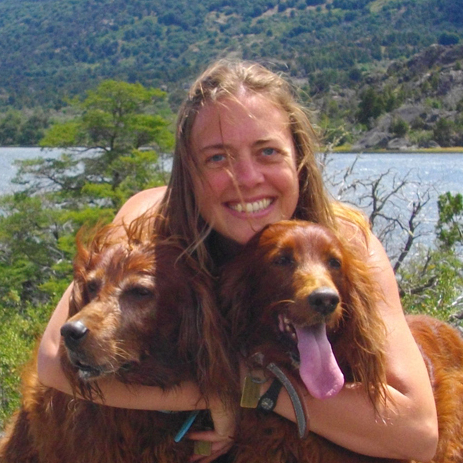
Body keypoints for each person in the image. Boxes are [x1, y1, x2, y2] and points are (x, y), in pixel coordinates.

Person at [37, 60, 438, 463]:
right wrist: (211, 394)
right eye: (217, 158)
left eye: (268, 152)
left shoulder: (344, 241)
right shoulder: (149, 224)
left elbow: (416, 433)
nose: (246, 178)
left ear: (298, 158)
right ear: (188, 171)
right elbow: (53, 361)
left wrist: (255, 390)